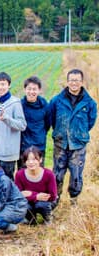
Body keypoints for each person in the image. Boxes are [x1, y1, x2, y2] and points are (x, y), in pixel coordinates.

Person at [49, 69, 97, 206]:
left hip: (78, 145)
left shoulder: (90, 103)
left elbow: (90, 122)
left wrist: (79, 133)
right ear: (67, 81)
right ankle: (55, 199)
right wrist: (60, 132)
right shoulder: (56, 100)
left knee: (76, 175)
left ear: (82, 82)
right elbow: (51, 119)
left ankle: (73, 199)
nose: (74, 83)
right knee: (57, 173)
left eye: (77, 80)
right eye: (71, 80)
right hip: (61, 143)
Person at [15, 146, 57, 225]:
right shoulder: (19, 174)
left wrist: (29, 194)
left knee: (41, 205)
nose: (31, 162)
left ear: (40, 160)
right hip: (28, 202)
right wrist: (35, 196)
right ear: (24, 162)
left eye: (34, 159)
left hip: (45, 202)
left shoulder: (48, 174)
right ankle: (31, 219)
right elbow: (18, 195)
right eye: (28, 160)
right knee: (23, 205)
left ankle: (47, 218)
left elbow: (53, 196)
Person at [19, 76, 50, 168]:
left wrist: (40, 134)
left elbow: (48, 123)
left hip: (39, 144)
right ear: (25, 89)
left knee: (39, 174)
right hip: (23, 145)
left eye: (34, 89)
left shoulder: (44, 105)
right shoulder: (19, 105)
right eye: (29, 89)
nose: (31, 92)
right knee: (23, 173)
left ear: (39, 90)